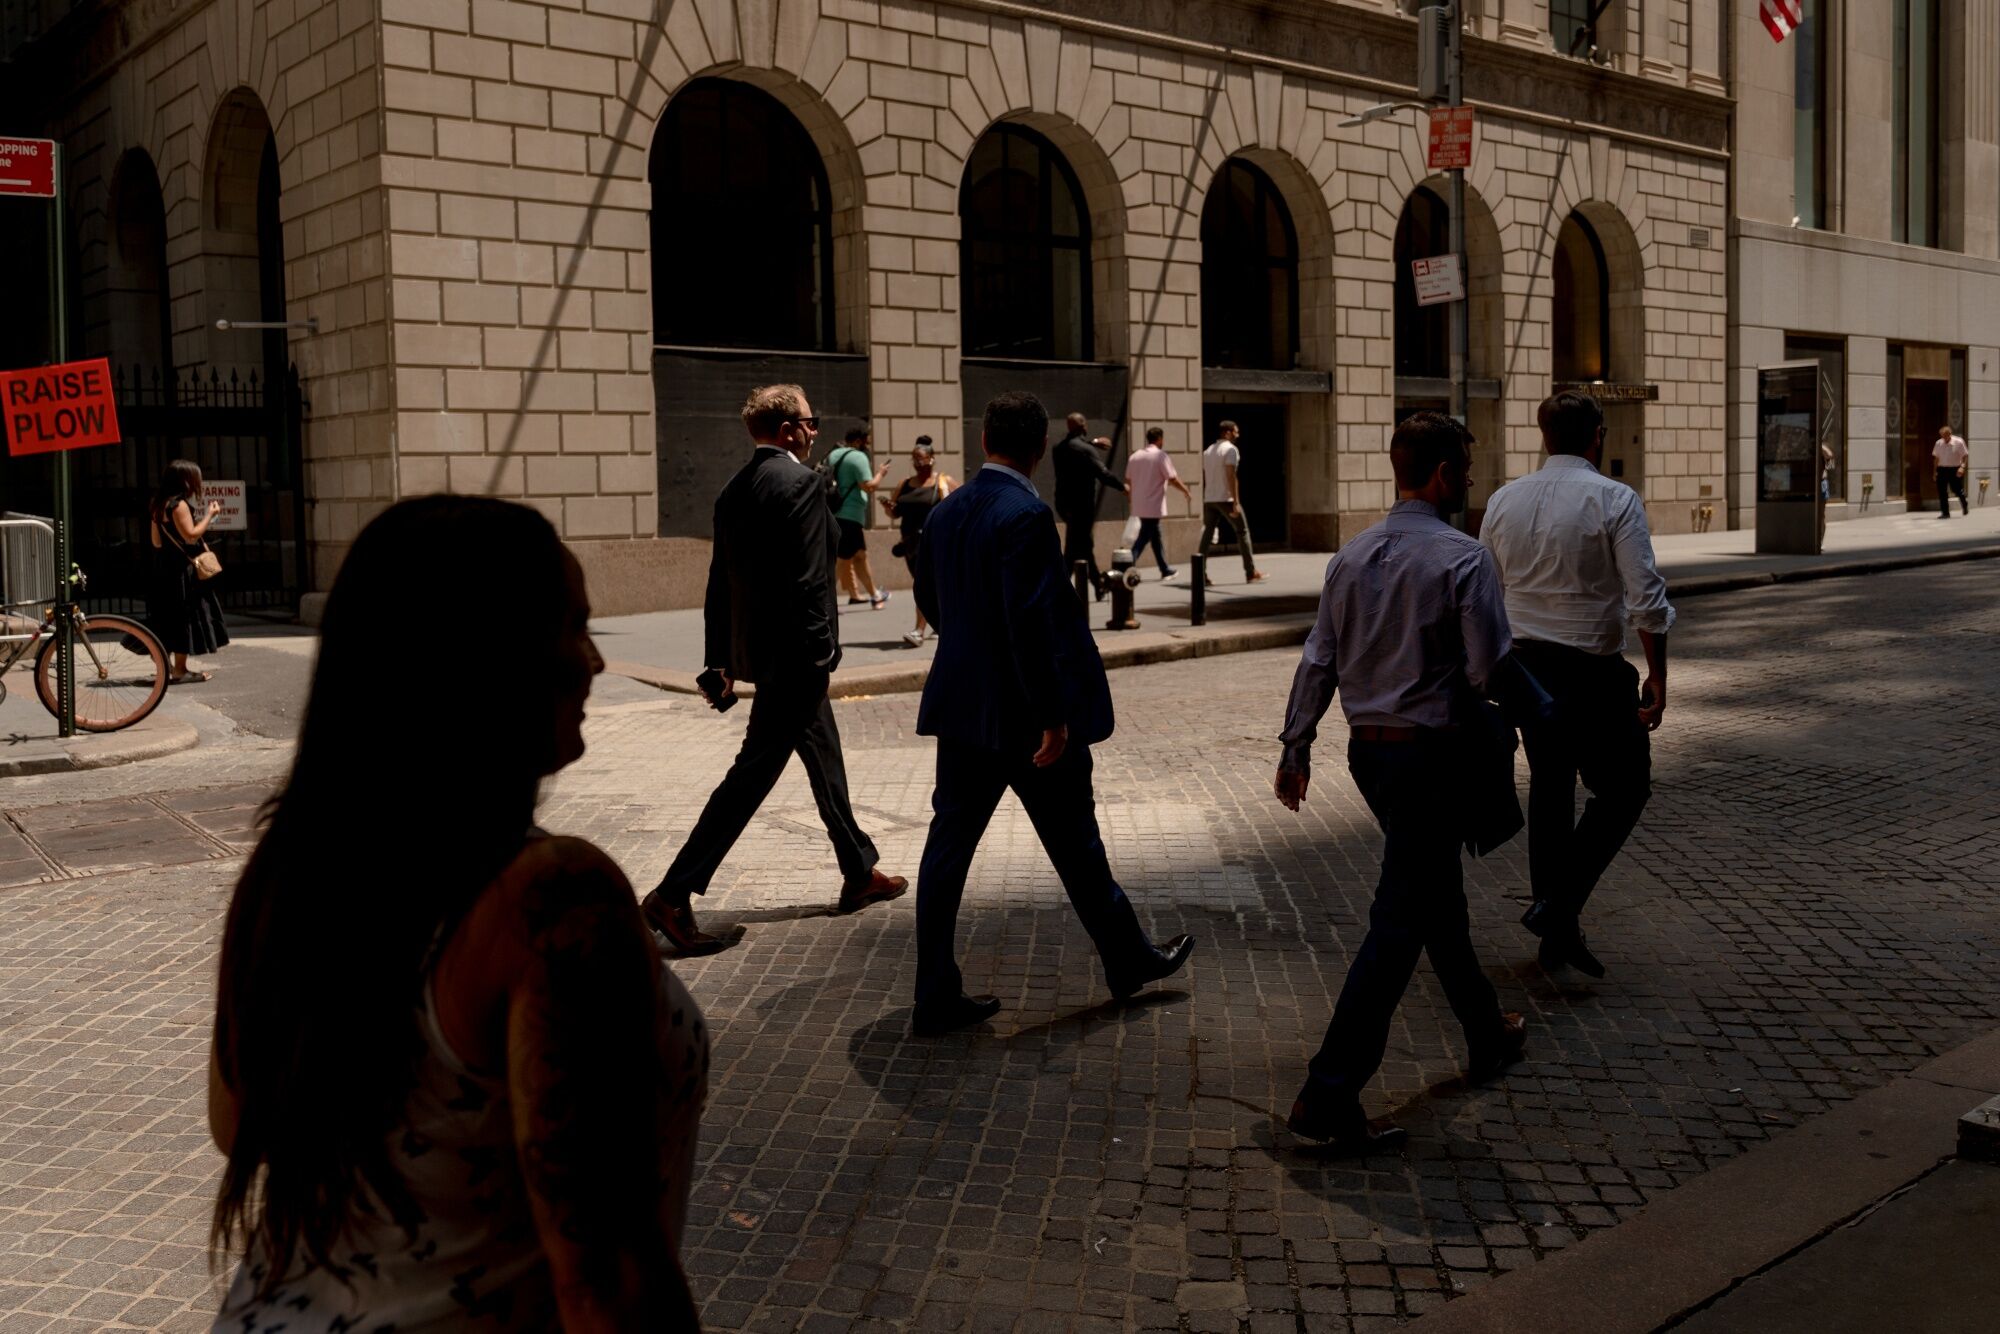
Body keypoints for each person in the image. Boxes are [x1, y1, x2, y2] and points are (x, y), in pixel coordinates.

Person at [208, 495, 706, 1330]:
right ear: (479, 662)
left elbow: (237, 1126)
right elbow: (606, 1282)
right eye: (571, 628)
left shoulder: (290, 868)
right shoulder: (552, 902)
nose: (594, 660)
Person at [1275, 412, 1527, 1155]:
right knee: (1400, 920)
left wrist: (1296, 746)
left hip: (1372, 759)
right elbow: (1488, 669)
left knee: (1431, 896)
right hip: (1434, 760)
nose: (1471, 482)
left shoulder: (1350, 557)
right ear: (1444, 474)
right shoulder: (1464, 558)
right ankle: (1327, 1094)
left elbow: (1319, 658)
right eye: (1467, 471)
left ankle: (1486, 1033)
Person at [908, 391, 1195, 1036]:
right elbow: (1033, 621)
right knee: (1075, 842)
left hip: (964, 708)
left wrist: (973, 649)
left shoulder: (946, 511)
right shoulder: (1027, 514)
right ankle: (1129, 959)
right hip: (1026, 719)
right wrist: (1053, 715)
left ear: (985, 441)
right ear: (1040, 449)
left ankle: (935, 993)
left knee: (947, 850)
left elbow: (930, 595)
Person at [643, 385, 907, 957]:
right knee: (752, 775)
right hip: (797, 660)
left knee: (824, 757)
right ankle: (672, 894)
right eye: (811, 422)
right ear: (788, 429)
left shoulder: (733, 490)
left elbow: (720, 581)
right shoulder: (802, 483)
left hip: (764, 656)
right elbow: (811, 581)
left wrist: (719, 659)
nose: (815, 431)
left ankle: (858, 871)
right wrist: (822, 653)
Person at [1479, 391, 1674, 978]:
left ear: (1544, 437)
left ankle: (1556, 926)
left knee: (1551, 786)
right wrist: (1658, 673)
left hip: (1524, 668)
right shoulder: (1614, 498)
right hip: (1590, 670)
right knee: (1625, 789)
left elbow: (1485, 591)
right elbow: (1646, 598)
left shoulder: (1503, 500)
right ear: (1598, 436)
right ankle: (1558, 907)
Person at [145, 459, 230, 684]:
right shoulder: (178, 505)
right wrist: (210, 515)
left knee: (166, 617)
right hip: (182, 570)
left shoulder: (157, 504)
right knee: (184, 617)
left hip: (163, 568)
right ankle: (180, 670)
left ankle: (167, 666)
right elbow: (191, 535)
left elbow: (156, 542)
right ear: (185, 480)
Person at [883, 436, 954, 646]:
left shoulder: (943, 482)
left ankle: (918, 630)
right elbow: (895, 513)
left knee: (923, 584)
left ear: (932, 458)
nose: (917, 462)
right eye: (914, 458)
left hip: (935, 542)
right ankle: (940, 623)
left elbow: (963, 504)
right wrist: (889, 509)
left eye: (921, 458)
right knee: (930, 585)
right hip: (910, 544)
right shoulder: (904, 484)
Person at [1051, 412, 1126, 597]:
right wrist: (1123, 487)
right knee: (1076, 548)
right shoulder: (1085, 450)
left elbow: (1072, 446)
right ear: (1083, 425)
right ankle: (1059, 590)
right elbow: (1103, 474)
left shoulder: (1058, 449)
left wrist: (1092, 442)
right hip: (1082, 506)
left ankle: (1096, 584)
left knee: (1081, 545)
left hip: (1064, 505)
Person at [1199, 421, 1268, 585]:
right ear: (1227, 432)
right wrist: (1235, 501)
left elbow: (1206, 476)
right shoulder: (1230, 450)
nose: (1238, 435)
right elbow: (1231, 475)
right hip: (1226, 498)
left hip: (1210, 498)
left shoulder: (1208, 451)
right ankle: (1250, 572)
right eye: (1236, 432)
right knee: (1242, 531)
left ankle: (1199, 573)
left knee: (1207, 535)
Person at [829, 426, 892, 605]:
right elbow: (869, 486)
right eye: (866, 442)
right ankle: (823, 598)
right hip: (850, 515)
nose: (868, 447)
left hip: (835, 513)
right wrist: (881, 473)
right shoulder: (858, 457)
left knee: (860, 556)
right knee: (842, 559)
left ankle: (875, 594)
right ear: (858, 441)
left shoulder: (834, 454)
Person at [1124, 426, 1193, 579]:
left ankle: (1164, 569)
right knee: (1144, 537)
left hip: (1139, 505)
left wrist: (1130, 497)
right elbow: (1172, 478)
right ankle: (1127, 565)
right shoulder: (1160, 456)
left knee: (1155, 536)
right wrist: (1185, 490)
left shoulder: (1135, 456)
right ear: (1160, 439)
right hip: (1153, 505)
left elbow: (1128, 480)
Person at [1934, 423, 1970, 518]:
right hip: (1942, 469)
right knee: (1942, 491)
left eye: (1945, 435)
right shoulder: (1939, 443)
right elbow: (1936, 458)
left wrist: (1962, 467)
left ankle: (1964, 505)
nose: (1944, 438)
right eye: (1942, 436)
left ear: (1950, 434)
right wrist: (1935, 471)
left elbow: (1965, 455)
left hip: (1954, 469)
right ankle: (1945, 512)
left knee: (1956, 489)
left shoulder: (1959, 442)